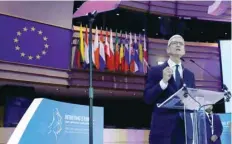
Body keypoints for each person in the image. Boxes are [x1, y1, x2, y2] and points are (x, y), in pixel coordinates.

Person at [144, 34, 195, 144]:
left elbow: (191, 102)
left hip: (184, 130)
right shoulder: (155, 71)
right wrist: (163, 82)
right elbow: (148, 98)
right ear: (168, 49)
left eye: (181, 43)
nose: (178, 45)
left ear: (184, 50)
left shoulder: (190, 75)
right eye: (174, 42)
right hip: (162, 130)